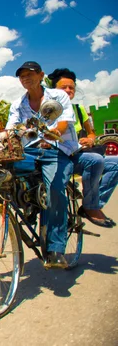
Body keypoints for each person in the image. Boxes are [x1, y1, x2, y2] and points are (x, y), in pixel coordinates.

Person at [7, 61, 79, 269]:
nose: (25, 78)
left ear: (41, 75)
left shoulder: (58, 96)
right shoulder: (18, 105)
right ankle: (29, 204)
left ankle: (56, 248)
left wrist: (54, 132)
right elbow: (11, 128)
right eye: (21, 76)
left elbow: (64, 122)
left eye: (29, 74)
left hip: (56, 149)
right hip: (30, 150)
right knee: (6, 175)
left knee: (55, 188)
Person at [48, 68, 117, 228]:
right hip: (61, 157)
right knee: (95, 160)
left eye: (71, 87)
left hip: (79, 155)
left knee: (115, 164)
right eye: (63, 87)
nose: (68, 90)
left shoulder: (79, 110)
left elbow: (92, 133)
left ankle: (93, 204)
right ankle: (91, 206)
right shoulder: (48, 110)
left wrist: (90, 140)